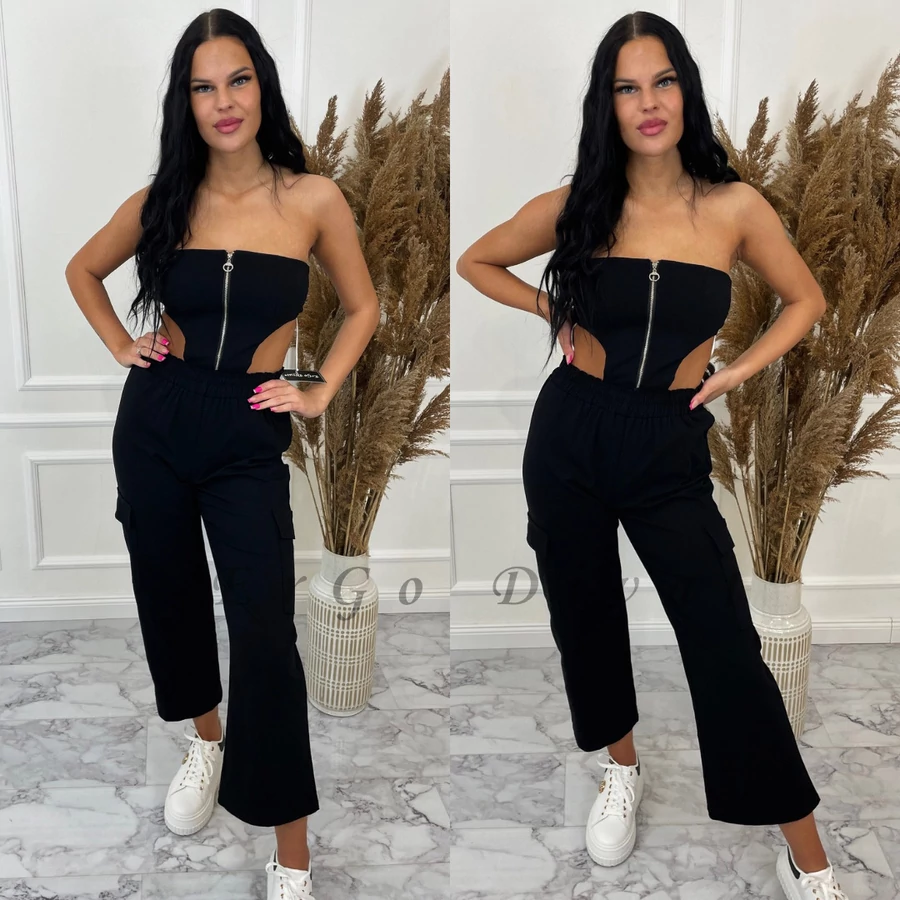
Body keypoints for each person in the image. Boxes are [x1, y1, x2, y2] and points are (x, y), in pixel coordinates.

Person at [455, 11, 848, 900]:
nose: (648, 102)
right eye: (626, 88)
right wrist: (551, 310)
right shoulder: (580, 205)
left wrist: (735, 370)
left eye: (662, 80)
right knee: (585, 618)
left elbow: (806, 300)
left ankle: (806, 852)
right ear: (608, 105)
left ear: (685, 89)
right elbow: (478, 260)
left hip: (669, 440)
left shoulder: (734, 207)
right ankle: (621, 768)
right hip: (571, 433)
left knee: (723, 640)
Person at [65, 10, 379, 900]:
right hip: (158, 419)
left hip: (246, 429)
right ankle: (207, 741)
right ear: (187, 102)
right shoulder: (164, 199)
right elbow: (81, 270)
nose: (223, 101)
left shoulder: (313, 199)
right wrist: (120, 345)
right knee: (169, 599)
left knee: (266, 634)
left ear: (261, 85)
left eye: (237, 80)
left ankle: (291, 850)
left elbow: (363, 307)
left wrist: (318, 389)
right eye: (203, 87)